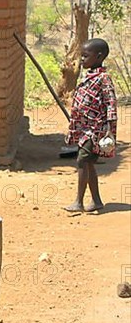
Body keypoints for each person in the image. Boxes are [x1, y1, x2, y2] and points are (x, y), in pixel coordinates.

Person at [64, 38, 117, 213]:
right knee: (88, 164)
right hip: (84, 128)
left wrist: (109, 129)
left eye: (86, 56)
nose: (83, 60)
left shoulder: (103, 78)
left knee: (82, 160)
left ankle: (78, 202)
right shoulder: (90, 76)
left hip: (96, 130)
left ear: (99, 56)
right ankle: (96, 201)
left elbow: (111, 103)